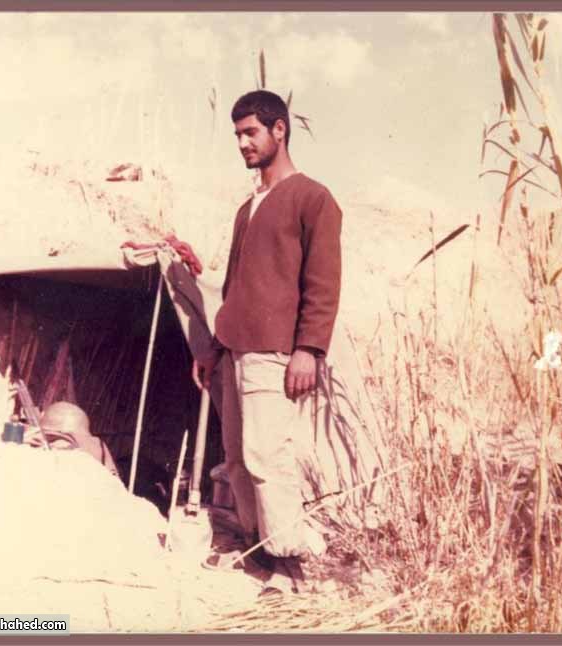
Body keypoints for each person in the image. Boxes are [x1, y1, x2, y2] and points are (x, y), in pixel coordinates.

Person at [193, 89, 342, 592]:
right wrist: (215, 349)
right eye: (237, 134)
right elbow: (235, 287)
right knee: (237, 458)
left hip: (275, 353)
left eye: (251, 132)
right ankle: (258, 549)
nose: (242, 143)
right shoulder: (246, 209)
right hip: (235, 350)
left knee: (266, 456)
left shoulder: (312, 198)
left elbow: (323, 282)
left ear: (280, 129)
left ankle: (289, 568)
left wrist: (309, 349)